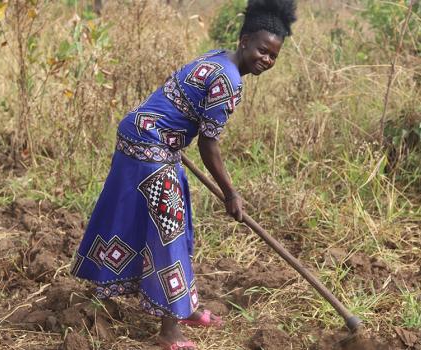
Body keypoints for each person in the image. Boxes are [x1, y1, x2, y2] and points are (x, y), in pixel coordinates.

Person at [71, 0, 296, 349]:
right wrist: (230, 193)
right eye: (262, 50)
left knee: (180, 223)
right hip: (149, 146)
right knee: (169, 230)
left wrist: (175, 138)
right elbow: (209, 145)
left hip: (146, 136)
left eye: (273, 56)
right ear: (245, 40)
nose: (266, 59)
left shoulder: (217, 58)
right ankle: (170, 333)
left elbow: (184, 108)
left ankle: (184, 306)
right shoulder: (228, 79)